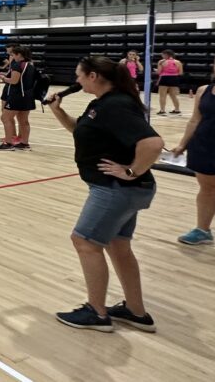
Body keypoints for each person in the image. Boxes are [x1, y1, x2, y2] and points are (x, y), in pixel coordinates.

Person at [45, 56, 161, 333]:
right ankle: (136, 311)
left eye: (79, 75)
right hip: (125, 191)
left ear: (94, 76)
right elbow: (81, 130)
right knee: (118, 246)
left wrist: (131, 171)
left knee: (84, 242)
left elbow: (153, 143)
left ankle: (97, 314)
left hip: (116, 190)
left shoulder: (116, 105)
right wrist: (58, 111)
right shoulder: (103, 104)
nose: (77, 80)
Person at [173, 49, 215, 246]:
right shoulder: (203, 90)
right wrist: (183, 144)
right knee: (207, 189)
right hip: (204, 146)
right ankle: (203, 230)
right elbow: (195, 120)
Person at [0, 44, 36, 151]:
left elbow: (14, 81)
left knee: (5, 117)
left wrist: (4, 78)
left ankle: (8, 143)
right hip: (28, 96)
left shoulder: (17, 65)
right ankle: (24, 144)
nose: (12, 57)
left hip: (17, 96)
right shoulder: (30, 65)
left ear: (19, 54)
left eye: (13, 54)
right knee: (24, 120)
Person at [156, 50, 184, 115]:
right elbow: (180, 73)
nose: (162, 56)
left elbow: (158, 72)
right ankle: (177, 109)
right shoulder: (178, 62)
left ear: (166, 55)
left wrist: (158, 70)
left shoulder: (161, 61)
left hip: (164, 78)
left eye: (162, 55)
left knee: (162, 95)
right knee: (174, 95)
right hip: (174, 79)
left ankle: (162, 110)